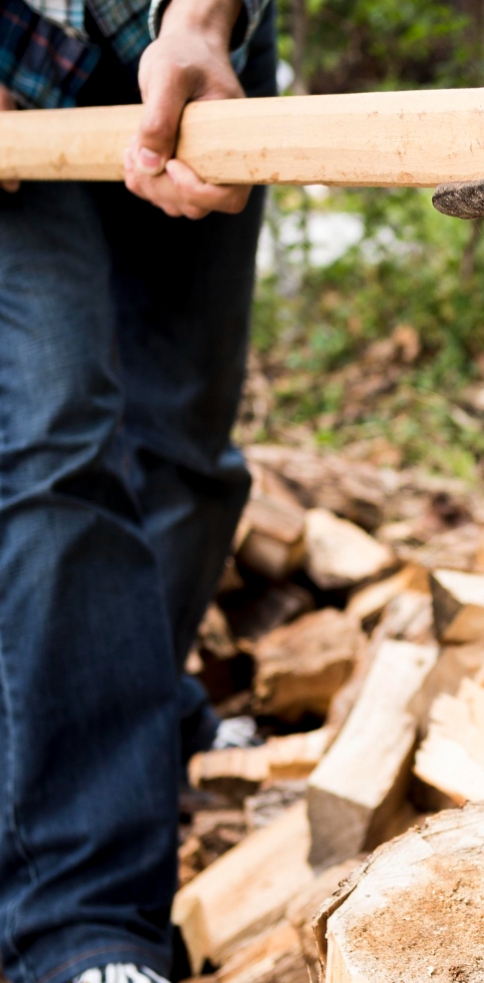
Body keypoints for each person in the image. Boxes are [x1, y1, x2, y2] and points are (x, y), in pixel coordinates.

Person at [0, 0, 275, 980]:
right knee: (53, 438)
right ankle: (83, 921)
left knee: (185, 452)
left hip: (177, 36)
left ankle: (111, 735)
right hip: (10, 57)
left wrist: (202, 21)